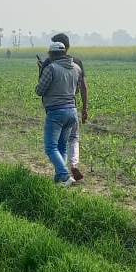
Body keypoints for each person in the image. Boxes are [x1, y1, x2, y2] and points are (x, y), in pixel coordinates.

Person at [38, 33, 89, 181]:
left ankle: (64, 175)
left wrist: (41, 70)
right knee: (63, 145)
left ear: (52, 54)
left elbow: (40, 89)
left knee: (50, 147)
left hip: (55, 111)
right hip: (72, 110)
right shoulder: (76, 67)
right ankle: (61, 176)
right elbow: (82, 87)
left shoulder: (50, 66)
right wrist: (85, 108)